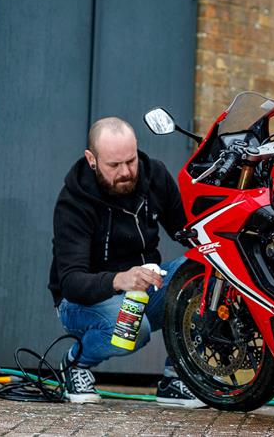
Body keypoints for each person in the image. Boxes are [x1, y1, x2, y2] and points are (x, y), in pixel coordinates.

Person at [48, 116, 203, 407]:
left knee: (206, 270)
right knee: (134, 327)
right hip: (81, 302)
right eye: (114, 166)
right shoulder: (74, 202)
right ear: (91, 159)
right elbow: (70, 283)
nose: (126, 172)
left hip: (144, 287)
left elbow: (188, 233)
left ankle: (177, 376)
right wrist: (119, 279)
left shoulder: (155, 175)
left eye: (130, 161)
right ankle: (74, 364)